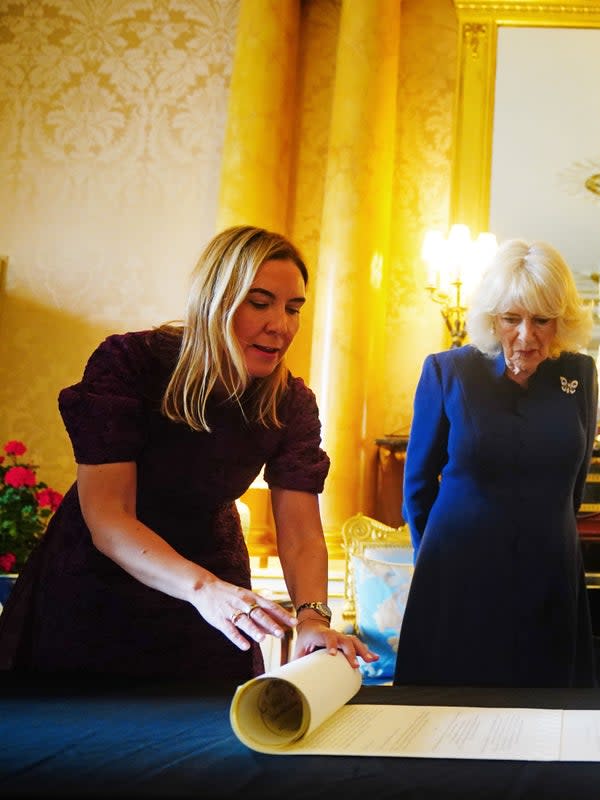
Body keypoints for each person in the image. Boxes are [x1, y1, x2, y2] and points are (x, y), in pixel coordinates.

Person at [0, 225, 376, 681]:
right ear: (215, 301)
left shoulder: (290, 402)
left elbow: (298, 532)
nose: (281, 325)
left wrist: (313, 618)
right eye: (259, 303)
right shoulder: (130, 364)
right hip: (100, 584)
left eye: (293, 308)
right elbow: (109, 518)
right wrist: (205, 590)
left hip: (214, 586)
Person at [396, 239, 597, 688]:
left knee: (547, 714)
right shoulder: (447, 371)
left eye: (542, 320)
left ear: (561, 321)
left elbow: (576, 480)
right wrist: (432, 560)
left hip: (551, 568)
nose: (526, 335)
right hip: (458, 569)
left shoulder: (578, 374)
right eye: (511, 319)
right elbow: (418, 484)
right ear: (491, 317)